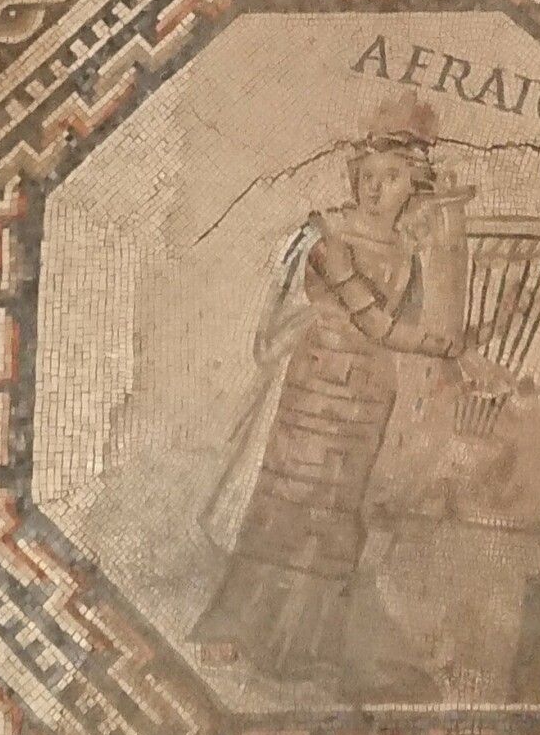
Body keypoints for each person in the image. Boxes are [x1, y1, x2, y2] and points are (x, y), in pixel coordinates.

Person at [192, 97, 477, 698]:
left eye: (391, 177)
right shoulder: (329, 238)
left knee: (335, 516)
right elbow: (376, 323)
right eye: (367, 175)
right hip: (315, 387)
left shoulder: (406, 253)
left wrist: (452, 349)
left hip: (367, 398)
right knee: (287, 502)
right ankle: (236, 628)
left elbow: (408, 326)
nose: (375, 189)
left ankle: (308, 647)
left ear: (414, 185)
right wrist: (443, 344)